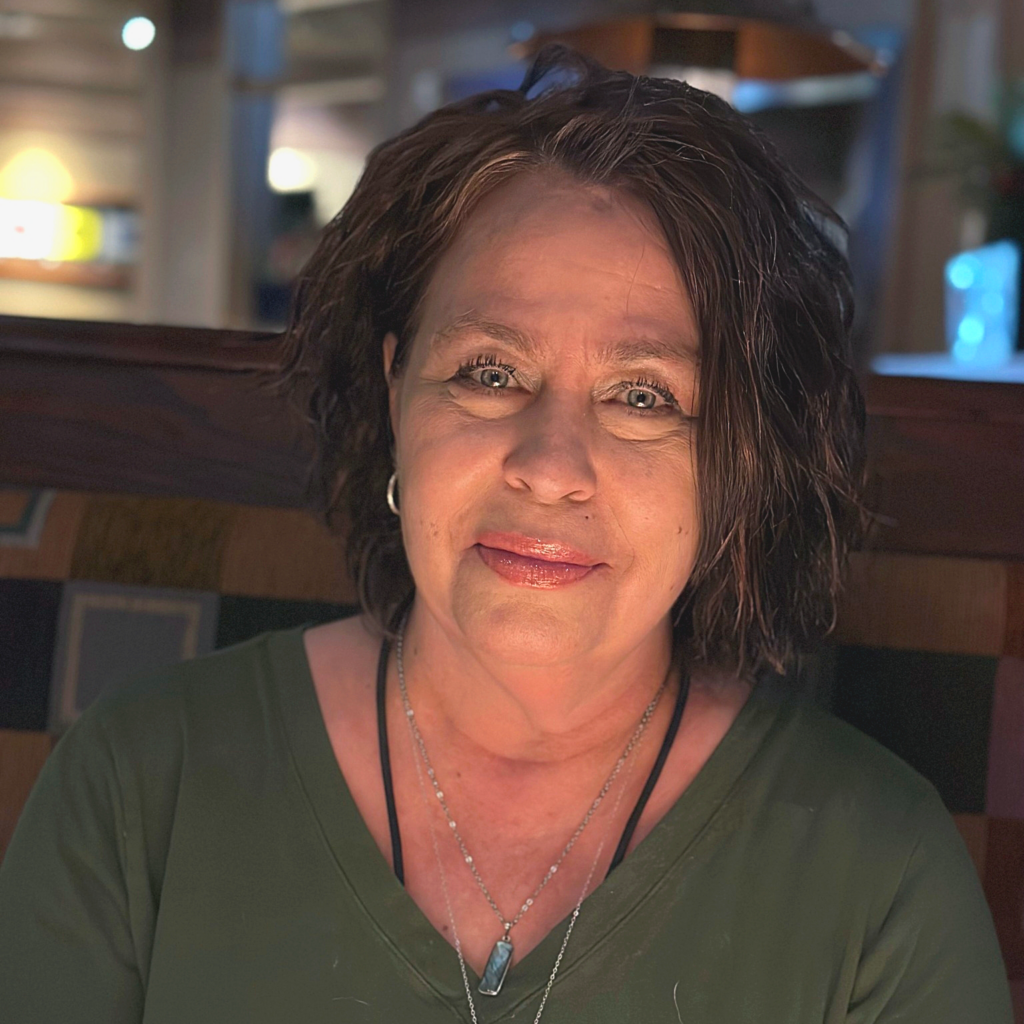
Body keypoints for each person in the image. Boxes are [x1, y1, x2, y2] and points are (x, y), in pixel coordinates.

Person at [0, 46, 1013, 1024]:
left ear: (738, 459)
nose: (550, 464)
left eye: (643, 395)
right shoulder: (140, 787)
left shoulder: (880, 879)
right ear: (396, 390)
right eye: (490, 373)